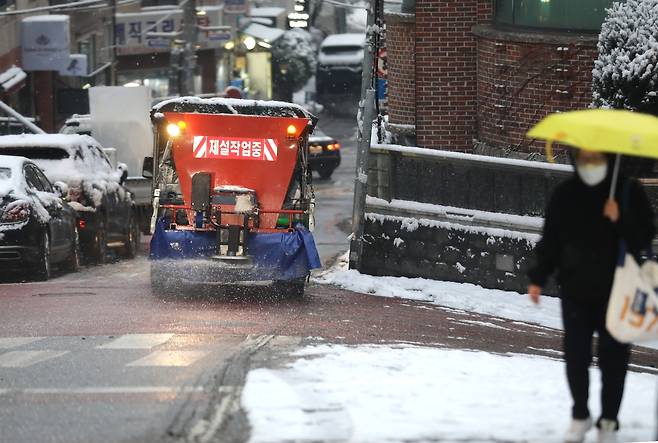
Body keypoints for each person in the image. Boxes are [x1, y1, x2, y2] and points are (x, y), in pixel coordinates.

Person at [527, 149, 655, 443]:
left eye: (596, 157)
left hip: (618, 292)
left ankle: (609, 420)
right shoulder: (566, 194)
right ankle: (580, 415)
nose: (590, 164)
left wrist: (620, 218)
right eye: (584, 157)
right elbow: (552, 239)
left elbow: (644, 238)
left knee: (614, 359)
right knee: (576, 355)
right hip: (575, 291)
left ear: (608, 158)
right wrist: (537, 277)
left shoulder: (626, 190)